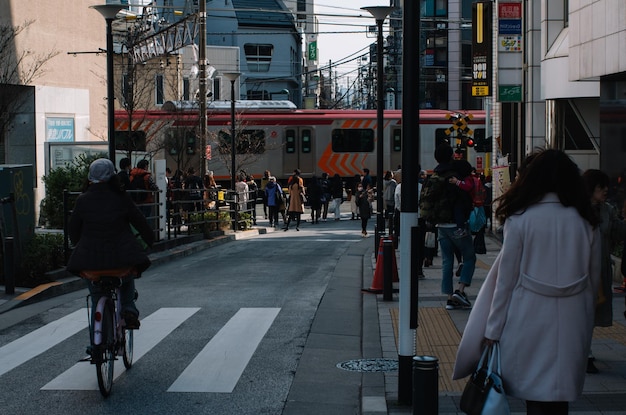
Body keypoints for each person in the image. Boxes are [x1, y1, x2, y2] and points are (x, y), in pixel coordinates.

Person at [453, 149, 601, 415]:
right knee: (560, 397)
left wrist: (493, 329)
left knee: (534, 395)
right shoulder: (587, 221)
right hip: (572, 318)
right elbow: (593, 281)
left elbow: (505, 283)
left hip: (529, 317)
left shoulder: (520, 219)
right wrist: (587, 322)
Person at [66, 158, 154, 330]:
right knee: (128, 278)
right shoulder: (122, 198)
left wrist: (79, 244)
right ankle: (128, 308)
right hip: (120, 260)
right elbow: (140, 222)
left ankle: (96, 347)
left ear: (90, 178)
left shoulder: (83, 200)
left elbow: (73, 229)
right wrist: (150, 241)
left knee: (97, 297)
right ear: (114, 177)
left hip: (90, 262)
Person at [419, 144, 475, 310]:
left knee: (447, 261)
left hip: (440, 225)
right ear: (451, 155)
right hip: (456, 224)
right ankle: (460, 289)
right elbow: (463, 199)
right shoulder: (454, 176)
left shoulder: (433, 176)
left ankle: (450, 298)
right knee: (469, 257)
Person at [582, 169, 626, 373]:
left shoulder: (607, 210)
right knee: (582, 312)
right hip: (581, 270)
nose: (606, 191)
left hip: (601, 270)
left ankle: (585, 350)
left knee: (592, 312)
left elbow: (617, 232)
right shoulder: (578, 210)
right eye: (601, 187)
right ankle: (584, 353)